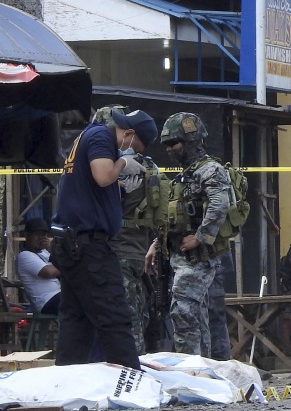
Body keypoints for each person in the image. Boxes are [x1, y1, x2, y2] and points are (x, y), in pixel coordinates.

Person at [50, 107, 157, 369]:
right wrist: (123, 164)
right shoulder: (101, 136)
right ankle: (129, 377)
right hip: (88, 246)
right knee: (114, 315)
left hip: (73, 243)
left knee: (77, 320)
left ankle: (69, 377)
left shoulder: (87, 136)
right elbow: (102, 176)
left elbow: (93, 185)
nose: (130, 152)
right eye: (135, 147)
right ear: (129, 134)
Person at [146, 112, 231, 357]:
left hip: (198, 256)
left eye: (175, 143)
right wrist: (156, 244)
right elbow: (175, 217)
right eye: (167, 144)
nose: (170, 149)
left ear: (192, 140)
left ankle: (189, 369)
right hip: (180, 256)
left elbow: (220, 204)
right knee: (196, 314)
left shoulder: (210, 170)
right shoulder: (185, 175)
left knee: (183, 312)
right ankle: (200, 366)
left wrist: (201, 237)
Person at [93, 105, 161, 357]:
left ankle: (131, 367)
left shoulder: (123, 166)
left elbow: (105, 198)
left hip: (118, 251)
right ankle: (139, 363)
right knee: (139, 315)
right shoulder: (150, 166)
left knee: (124, 319)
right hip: (139, 251)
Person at [15, 217, 60, 315]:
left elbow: (58, 267)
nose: (41, 238)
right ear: (26, 235)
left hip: (59, 296)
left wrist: (51, 248)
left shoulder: (44, 252)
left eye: (44, 235)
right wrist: (68, 266)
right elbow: (49, 272)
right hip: (47, 301)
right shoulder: (24, 256)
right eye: (37, 234)